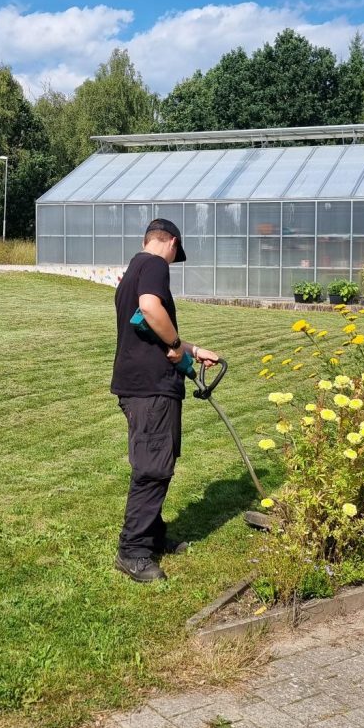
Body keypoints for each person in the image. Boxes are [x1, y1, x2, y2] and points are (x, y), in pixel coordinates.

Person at [110, 217, 221, 583]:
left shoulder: (133, 269)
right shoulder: (156, 264)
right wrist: (175, 346)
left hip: (138, 384)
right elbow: (152, 309)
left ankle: (153, 535)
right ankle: (133, 551)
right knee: (153, 466)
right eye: (176, 254)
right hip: (150, 388)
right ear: (171, 242)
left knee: (156, 457)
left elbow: (145, 325)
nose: (173, 261)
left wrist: (192, 349)